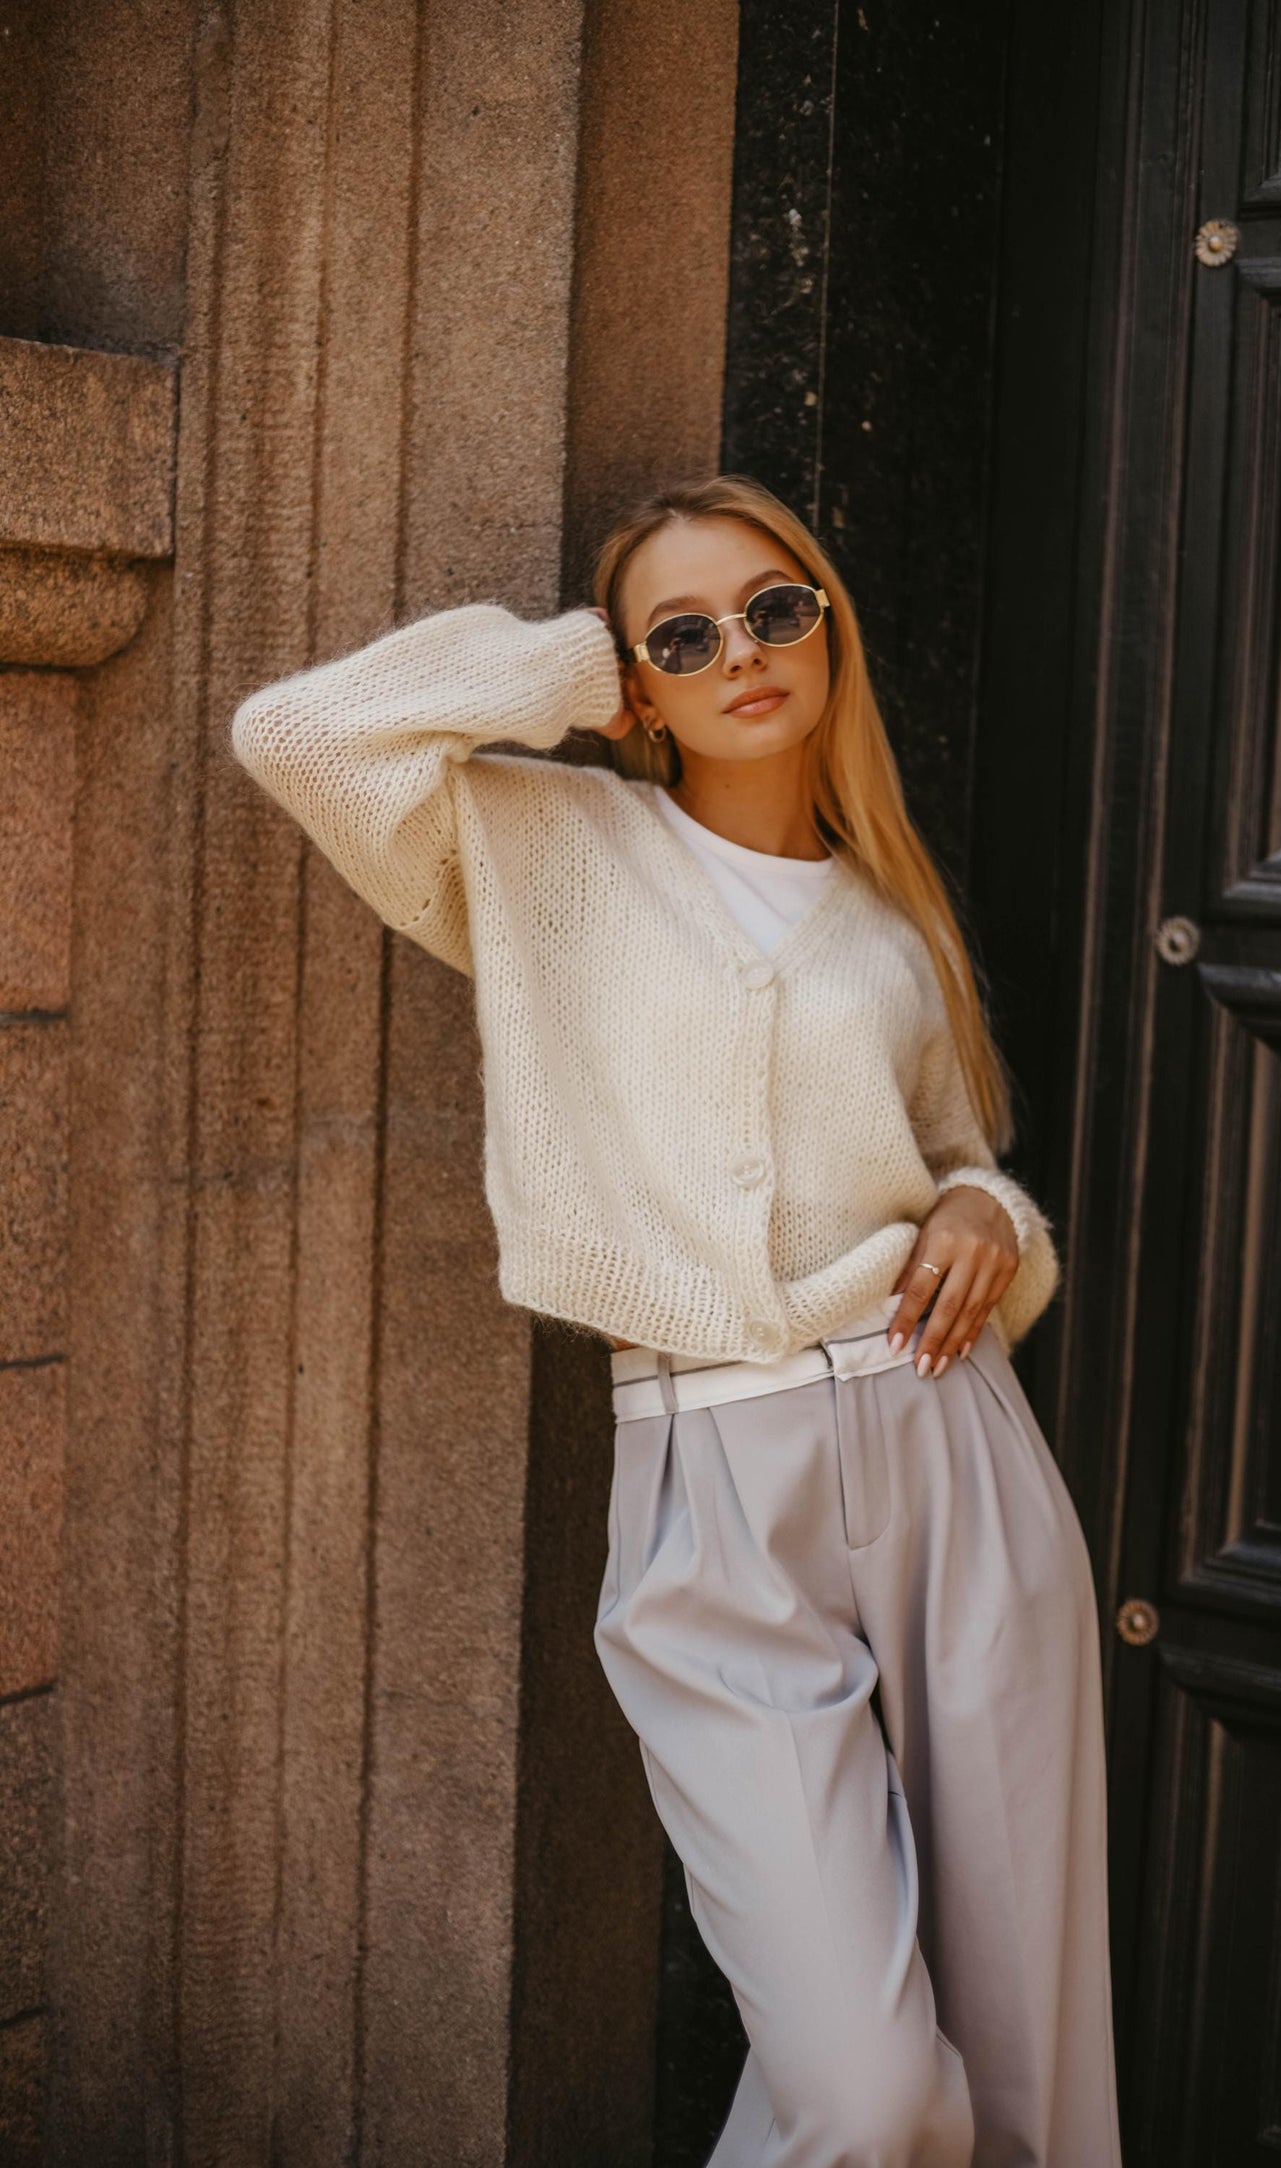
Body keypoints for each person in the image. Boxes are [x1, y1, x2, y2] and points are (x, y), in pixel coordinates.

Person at [231, 472, 1123, 2166]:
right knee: (867, 2093)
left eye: (776, 609)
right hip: (713, 1490)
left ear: (831, 623)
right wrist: (586, 665)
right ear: (638, 683)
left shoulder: (889, 922)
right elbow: (300, 735)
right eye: (687, 636)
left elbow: (958, 1164)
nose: (744, 654)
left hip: (950, 1447)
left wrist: (981, 1211)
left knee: (1019, 2065)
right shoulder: (539, 849)